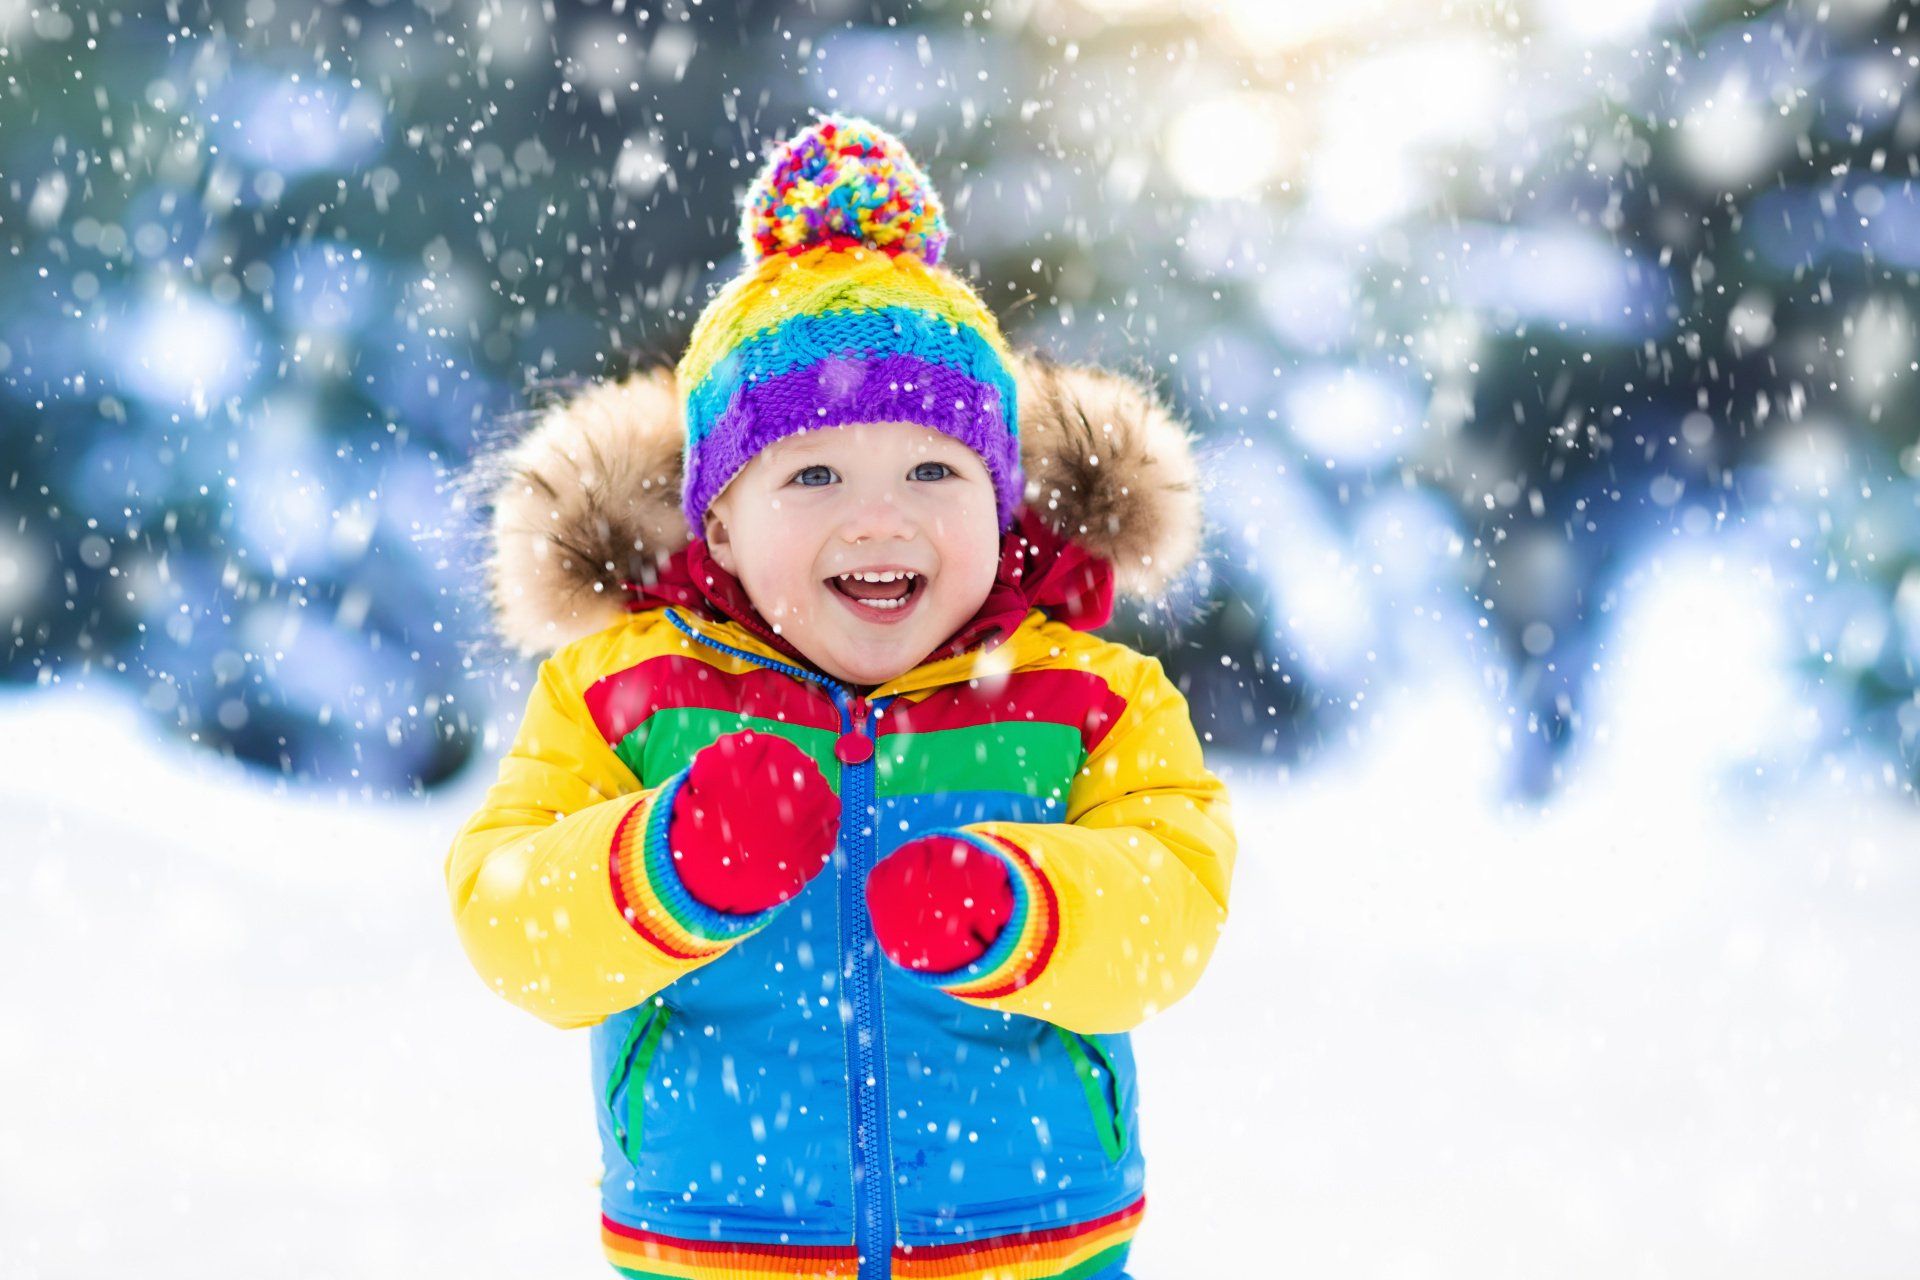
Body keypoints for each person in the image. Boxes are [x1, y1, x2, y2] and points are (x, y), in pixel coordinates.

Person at [446, 113, 1236, 1280]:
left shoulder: (1086, 698)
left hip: (1028, 1241)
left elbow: (1175, 902)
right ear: (718, 519)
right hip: (719, 1241)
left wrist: (1028, 909)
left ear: (1005, 501)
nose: (880, 516)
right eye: (813, 473)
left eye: (934, 468)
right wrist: (665, 867)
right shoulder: (624, 693)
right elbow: (508, 914)